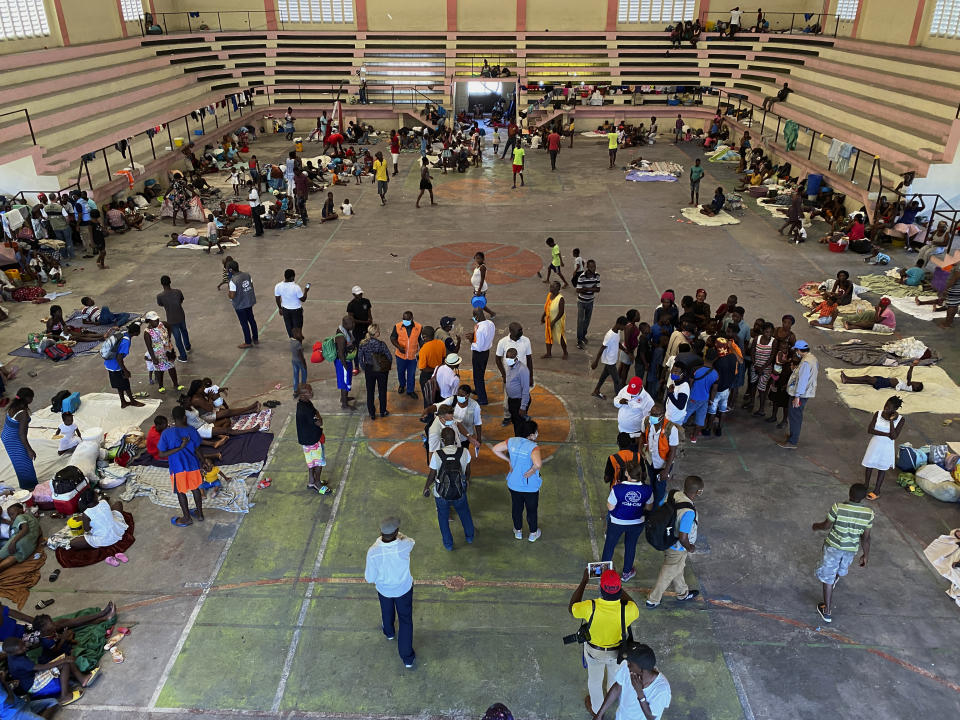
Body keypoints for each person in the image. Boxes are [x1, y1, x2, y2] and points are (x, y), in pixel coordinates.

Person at [569, 568, 640, 716]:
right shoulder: (628, 609)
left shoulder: (590, 606)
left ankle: (596, 710)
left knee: (595, 681)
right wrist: (618, 587)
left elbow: (572, 608)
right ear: (619, 590)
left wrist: (584, 581)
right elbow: (632, 604)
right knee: (614, 678)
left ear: (601, 589)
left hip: (595, 652)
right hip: (618, 653)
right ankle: (610, 697)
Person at [811, 483, 873, 623]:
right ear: (864, 498)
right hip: (850, 550)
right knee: (841, 568)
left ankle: (826, 611)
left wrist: (816, 526)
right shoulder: (868, 513)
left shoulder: (838, 507)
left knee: (828, 578)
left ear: (849, 494)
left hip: (833, 547)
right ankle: (835, 578)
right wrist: (866, 555)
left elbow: (827, 525)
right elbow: (866, 537)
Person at [364, 516, 416, 669]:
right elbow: (412, 541)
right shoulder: (404, 545)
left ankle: (389, 632)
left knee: (386, 611)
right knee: (405, 620)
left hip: (384, 590)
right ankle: (407, 658)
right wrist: (401, 536)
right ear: (397, 532)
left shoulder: (373, 551)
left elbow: (369, 578)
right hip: (403, 589)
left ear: (380, 532)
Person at [646, 475, 703, 609]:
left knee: (678, 568)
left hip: (667, 539)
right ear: (698, 492)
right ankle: (653, 599)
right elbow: (683, 537)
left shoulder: (673, 494)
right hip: (677, 548)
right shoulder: (688, 512)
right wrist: (690, 547)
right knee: (667, 573)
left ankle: (682, 593)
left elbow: (660, 508)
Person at [2, 635, 93, 707]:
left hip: (32, 676)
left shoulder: (12, 654)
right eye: (21, 649)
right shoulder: (19, 662)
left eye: (23, 645)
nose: (24, 648)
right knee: (65, 663)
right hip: (33, 684)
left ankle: (82, 679)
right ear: (13, 653)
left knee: (65, 658)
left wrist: (62, 659)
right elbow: (41, 667)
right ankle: (64, 696)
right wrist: (62, 661)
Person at [422, 427, 475, 550]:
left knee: (443, 518)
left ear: (442, 440)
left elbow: (432, 474)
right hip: (459, 491)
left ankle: (448, 544)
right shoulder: (465, 452)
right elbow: (468, 471)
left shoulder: (437, 455)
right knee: (465, 513)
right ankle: (470, 537)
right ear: (455, 439)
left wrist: (426, 487)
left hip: (441, 493)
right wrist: (466, 481)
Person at [601, 460, 653, 582]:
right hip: (637, 523)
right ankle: (626, 572)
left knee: (609, 545)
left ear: (626, 473)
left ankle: (604, 572)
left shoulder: (617, 488)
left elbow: (610, 507)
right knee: (630, 546)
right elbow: (649, 507)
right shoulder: (648, 489)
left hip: (616, 522)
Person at [591, 643, 672, 720]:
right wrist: (599, 714)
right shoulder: (628, 670)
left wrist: (640, 693)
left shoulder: (661, 689)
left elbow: (651, 717)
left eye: (630, 664)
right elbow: (616, 688)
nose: (627, 664)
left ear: (641, 669)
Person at [492, 419, 543, 542]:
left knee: (516, 508)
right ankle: (533, 533)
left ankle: (518, 531)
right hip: (530, 486)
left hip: (514, 484)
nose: (537, 434)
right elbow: (538, 464)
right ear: (531, 434)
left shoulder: (511, 441)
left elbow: (495, 449)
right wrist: (532, 470)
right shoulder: (533, 447)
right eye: (536, 432)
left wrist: (508, 460)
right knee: (531, 510)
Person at [156, 406, 207, 527]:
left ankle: (187, 518)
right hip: (193, 465)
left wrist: (178, 448)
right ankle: (200, 514)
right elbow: (198, 449)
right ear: (184, 417)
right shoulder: (191, 430)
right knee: (196, 489)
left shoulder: (166, 433)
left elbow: (161, 453)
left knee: (180, 492)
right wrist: (203, 461)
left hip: (177, 468)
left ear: (172, 418)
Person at [860, 397, 905, 500]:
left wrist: (891, 421)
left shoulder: (901, 420)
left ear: (895, 409)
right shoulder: (878, 413)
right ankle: (866, 485)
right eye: (886, 405)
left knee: (882, 468)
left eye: (889, 407)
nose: (885, 408)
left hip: (886, 447)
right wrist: (886, 434)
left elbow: (894, 436)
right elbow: (870, 430)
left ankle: (877, 490)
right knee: (869, 465)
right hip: (875, 443)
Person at [637, 404, 680, 508]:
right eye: (652, 413)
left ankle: (656, 509)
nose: (653, 416)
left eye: (656, 414)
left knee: (660, 486)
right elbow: (642, 435)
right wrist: (640, 448)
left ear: (662, 415)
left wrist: (666, 470)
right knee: (652, 481)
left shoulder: (671, 429)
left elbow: (673, 451)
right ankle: (652, 499)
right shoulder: (646, 422)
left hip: (663, 463)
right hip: (650, 460)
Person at [779, 339, 818, 449]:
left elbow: (802, 381)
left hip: (801, 394)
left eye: (796, 350)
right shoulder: (811, 358)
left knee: (795, 417)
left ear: (799, 350)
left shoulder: (805, 363)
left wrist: (797, 397)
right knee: (796, 416)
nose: (796, 353)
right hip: (803, 393)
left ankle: (792, 442)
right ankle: (792, 436)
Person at [495, 323, 534, 428]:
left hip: (522, 376)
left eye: (521, 330)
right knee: (508, 399)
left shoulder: (526, 341)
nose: (522, 332)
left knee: (525, 396)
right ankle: (507, 417)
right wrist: (503, 375)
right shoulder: (503, 342)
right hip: (510, 377)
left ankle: (522, 413)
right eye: (519, 330)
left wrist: (530, 376)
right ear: (511, 331)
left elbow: (529, 358)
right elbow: (497, 359)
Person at [66, 488, 127, 553]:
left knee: (73, 543)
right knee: (118, 503)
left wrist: (84, 520)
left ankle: (104, 540)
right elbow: (97, 512)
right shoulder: (103, 501)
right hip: (117, 529)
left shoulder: (86, 514)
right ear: (96, 497)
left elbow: (87, 529)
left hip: (104, 538)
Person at [1, 389, 37, 491]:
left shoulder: (13, 405)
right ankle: (30, 487)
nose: (32, 399)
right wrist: (29, 450)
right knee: (24, 462)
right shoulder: (23, 414)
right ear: (26, 398)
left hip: (6, 435)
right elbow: (21, 435)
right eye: (31, 397)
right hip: (13, 439)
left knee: (18, 461)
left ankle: (26, 485)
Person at [296, 384, 327, 494]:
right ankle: (317, 483)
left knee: (311, 462)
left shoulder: (302, 403)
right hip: (313, 440)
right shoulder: (306, 410)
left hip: (306, 440)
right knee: (319, 462)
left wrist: (316, 413)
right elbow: (320, 422)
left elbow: (315, 413)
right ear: (302, 394)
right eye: (309, 392)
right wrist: (318, 414)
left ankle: (311, 481)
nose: (312, 393)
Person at [104, 323, 144, 409]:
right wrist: (125, 370)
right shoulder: (126, 342)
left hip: (109, 362)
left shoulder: (124, 333)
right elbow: (119, 358)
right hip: (116, 365)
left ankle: (123, 401)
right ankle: (132, 401)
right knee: (126, 384)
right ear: (136, 332)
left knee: (119, 384)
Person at [142, 311, 182, 393]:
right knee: (159, 370)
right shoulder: (147, 332)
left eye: (157, 319)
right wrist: (153, 358)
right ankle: (161, 386)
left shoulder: (163, 324)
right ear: (149, 321)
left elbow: (169, 328)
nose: (156, 321)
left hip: (168, 351)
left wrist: (169, 341)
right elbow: (149, 347)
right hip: (158, 354)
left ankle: (176, 384)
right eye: (154, 320)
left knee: (171, 367)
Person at [358, 324, 392, 420]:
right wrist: (386, 366)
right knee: (382, 391)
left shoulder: (363, 344)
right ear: (376, 333)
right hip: (381, 370)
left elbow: (360, 359)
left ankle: (372, 413)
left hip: (369, 370)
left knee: (370, 392)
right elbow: (389, 357)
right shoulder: (381, 344)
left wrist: (365, 368)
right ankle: (382, 411)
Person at [592, 317, 627, 399]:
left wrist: (625, 350)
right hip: (609, 361)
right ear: (619, 324)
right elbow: (602, 348)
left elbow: (617, 342)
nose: (624, 328)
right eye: (624, 326)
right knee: (617, 380)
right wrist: (596, 361)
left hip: (612, 359)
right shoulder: (609, 335)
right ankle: (619, 399)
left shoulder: (617, 332)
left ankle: (596, 390)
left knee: (603, 376)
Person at [157, 275, 190, 363]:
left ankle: (183, 356)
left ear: (161, 284)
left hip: (171, 319)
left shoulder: (160, 296)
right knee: (184, 331)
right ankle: (188, 346)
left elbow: (160, 304)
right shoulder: (178, 292)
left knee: (177, 338)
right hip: (181, 315)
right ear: (170, 282)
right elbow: (181, 300)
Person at [840, 360, 924, 393]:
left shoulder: (910, 387)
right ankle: (847, 381)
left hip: (885, 382)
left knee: (866, 378)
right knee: (866, 381)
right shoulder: (908, 386)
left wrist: (912, 366)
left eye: (916, 383)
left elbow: (909, 377)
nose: (915, 381)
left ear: (915, 388)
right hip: (885, 381)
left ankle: (847, 378)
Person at [0, 503, 40, 574]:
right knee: (14, 557)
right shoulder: (30, 517)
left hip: (19, 540)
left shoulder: (20, 517)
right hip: (31, 545)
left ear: (21, 510)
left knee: (2, 553)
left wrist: (13, 542)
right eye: (10, 516)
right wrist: (5, 521)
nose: (11, 517)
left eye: (12, 514)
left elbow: (25, 529)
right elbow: (13, 523)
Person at [227, 260, 258, 348]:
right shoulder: (247, 275)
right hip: (249, 302)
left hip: (240, 305)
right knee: (251, 320)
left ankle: (248, 342)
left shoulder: (233, 280)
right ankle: (255, 338)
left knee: (244, 323)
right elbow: (251, 286)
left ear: (230, 270)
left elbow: (232, 295)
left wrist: (228, 293)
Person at [391, 311, 422, 398]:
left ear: (412, 319)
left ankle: (410, 390)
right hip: (400, 356)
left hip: (413, 357)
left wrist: (421, 352)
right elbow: (393, 338)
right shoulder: (397, 326)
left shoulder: (419, 327)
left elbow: (421, 341)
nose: (405, 321)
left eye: (407, 319)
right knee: (400, 372)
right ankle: (402, 385)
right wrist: (399, 347)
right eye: (404, 319)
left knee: (411, 374)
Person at [470, 307, 495, 405]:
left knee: (478, 376)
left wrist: (471, 341)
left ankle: (482, 399)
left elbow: (478, 347)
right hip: (486, 352)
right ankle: (478, 390)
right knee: (481, 372)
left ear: (476, 316)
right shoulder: (490, 323)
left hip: (479, 354)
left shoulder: (479, 329)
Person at [274, 268, 308, 338]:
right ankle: (299, 345)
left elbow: (277, 298)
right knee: (297, 328)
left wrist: (280, 308)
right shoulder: (296, 287)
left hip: (285, 310)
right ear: (292, 277)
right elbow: (303, 299)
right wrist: (306, 291)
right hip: (296, 311)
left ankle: (293, 340)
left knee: (290, 327)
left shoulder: (278, 286)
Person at [575, 259, 601, 349]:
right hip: (581, 302)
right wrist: (591, 288)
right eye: (592, 267)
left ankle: (583, 336)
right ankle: (579, 340)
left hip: (590, 301)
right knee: (580, 321)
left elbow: (598, 289)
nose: (594, 268)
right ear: (588, 267)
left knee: (587, 320)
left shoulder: (597, 275)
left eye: (594, 266)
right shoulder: (582, 277)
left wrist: (586, 289)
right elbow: (578, 290)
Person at [333, 316, 357, 409]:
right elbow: (341, 354)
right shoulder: (341, 337)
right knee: (344, 382)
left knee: (347, 381)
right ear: (346, 324)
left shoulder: (345, 331)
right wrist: (345, 366)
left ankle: (344, 398)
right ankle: (344, 404)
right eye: (352, 323)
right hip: (342, 363)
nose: (354, 325)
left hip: (346, 361)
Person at [541, 281, 568, 360]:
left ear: (558, 289)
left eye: (553, 287)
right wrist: (543, 316)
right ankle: (548, 353)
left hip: (557, 321)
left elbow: (561, 312)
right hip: (549, 320)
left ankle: (565, 352)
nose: (550, 288)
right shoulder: (549, 295)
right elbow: (547, 307)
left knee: (560, 337)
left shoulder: (560, 299)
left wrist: (554, 321)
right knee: (548, 336)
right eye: (550, 286)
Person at [471, 252, 496, 319]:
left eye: (479, 258)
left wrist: (479, 290)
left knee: (479, 303)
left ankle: (479, 317)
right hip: (478, 288)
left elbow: (482, 279)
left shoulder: (482, 267)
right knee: (479, 303)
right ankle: (490, 313)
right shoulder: (478, 266)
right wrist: (475, 288)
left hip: (481, 289)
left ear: (483, 259)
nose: (477, 260)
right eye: (476, 258)